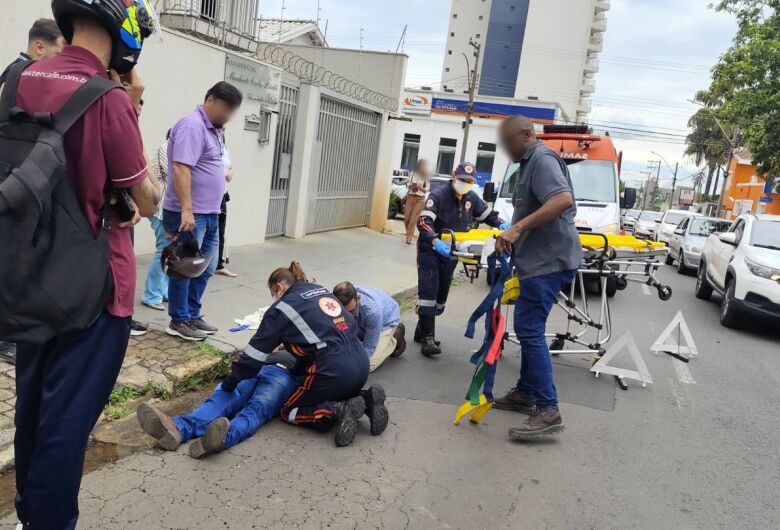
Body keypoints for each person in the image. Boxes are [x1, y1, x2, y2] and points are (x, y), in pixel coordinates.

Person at [9, 1, 161, 527]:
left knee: (31, 408)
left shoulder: (16, 81)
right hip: (94, 289)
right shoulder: (109, 98)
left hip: (26, 278)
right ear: (126, 34)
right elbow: (145, 198)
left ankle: (31, 512)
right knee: (67, 425)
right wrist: (134, 102)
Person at [225, 262, 387, 447]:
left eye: (273, 294)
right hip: (361, 365)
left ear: (279, 287)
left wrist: (229, 383)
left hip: (334, 371)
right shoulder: (320, 291)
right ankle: (366, 401)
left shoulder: (281, 309)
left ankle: (337, 410)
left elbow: (252, 358)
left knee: (289, 409)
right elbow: (313, 342)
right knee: (328, 387)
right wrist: (297, 371)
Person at [493, 115, 583, 439]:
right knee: (530, 327)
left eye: (509, 142)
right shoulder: (529, 162)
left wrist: (517, 228)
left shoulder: (542, 159)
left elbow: (562, 200)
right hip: (539, 261)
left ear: (527, 135)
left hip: (549, 262)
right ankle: (527, 392)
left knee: (528, 328)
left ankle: (548, 408)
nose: (506, 149)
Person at [0, 19, 66, 365]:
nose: (57, 62)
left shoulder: (19, 75)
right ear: (39, 47)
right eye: (56, 51)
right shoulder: (18, 75)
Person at [163, 82, 243, 341]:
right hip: (190, 214)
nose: (228, 115)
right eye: (226, 108)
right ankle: (178, 320)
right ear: (210, 99)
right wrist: (187, 210)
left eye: (233, 110)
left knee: (205, 268)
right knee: (184, 268)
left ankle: (193, 314)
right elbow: (181, 168)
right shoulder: (192, 125)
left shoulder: (215, 130)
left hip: (210, 211)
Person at [416, 162, 509, 356]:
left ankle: (421, 328)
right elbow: (424, 222)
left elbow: (487, 215)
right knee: (429, 293)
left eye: (469, 181)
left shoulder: (471, 198)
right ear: (453, 176)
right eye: (462, 180)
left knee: (440, 298)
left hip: (452, 252)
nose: (465, 183)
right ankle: (428, 339)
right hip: (431, 250)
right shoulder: (439, 195)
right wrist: (434, 240)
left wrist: (501, 224)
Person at [136, 351, 299, 458]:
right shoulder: (284, 332)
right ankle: (177, 428)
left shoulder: (315, 339)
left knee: (255, 410)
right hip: (260, 365)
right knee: (227, 396)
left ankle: (219, 439)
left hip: (287, 374)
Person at [333, 282, 406, 372]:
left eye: (351, 310)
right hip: (363, 321)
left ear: (358, 298)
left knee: (368, 365)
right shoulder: (331, 304)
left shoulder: (372, 312)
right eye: (344, 312)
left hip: (386, 321)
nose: (348, 315)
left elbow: (369, 347)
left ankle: (394, 337)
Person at [141, 129, 172, 311]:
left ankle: (162, 292)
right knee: (163, 250)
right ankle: (151, 295)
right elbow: (174, 176)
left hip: (170, 210)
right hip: (162, 210)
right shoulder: (167, 148)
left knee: (170, 252)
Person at [0, 18, 65, 86]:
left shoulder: (21, 71)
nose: (63, 60)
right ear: (39, 48)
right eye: (58, 54)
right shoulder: (18, 74)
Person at [215, 126, 237, 277]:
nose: (222, 131)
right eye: (220, 128)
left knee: (220, 231)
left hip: (222, 194)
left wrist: (230, 171)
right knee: (208, 231)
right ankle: (202, 263)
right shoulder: (210, 145)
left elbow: (228, 165)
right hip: (210, 196)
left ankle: (218, 264)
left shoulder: (223, 146)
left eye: (223, 129)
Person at [403, 159, 431, 244]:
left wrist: (419, 188)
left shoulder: (426, 176)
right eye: (421, 165)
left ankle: (409, 237)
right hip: (410, 197)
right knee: (406, 218)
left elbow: (426, 189)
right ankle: (409, 233)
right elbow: (407, 185)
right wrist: (411, 186)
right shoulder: (412, 174)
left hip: (420, 199)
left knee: (413, 219)